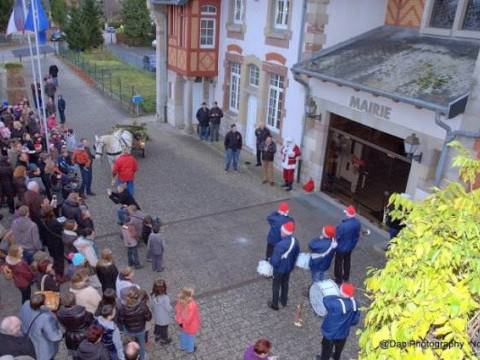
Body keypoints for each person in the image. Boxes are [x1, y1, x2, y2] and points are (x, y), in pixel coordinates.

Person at [318, 283, 360, 360]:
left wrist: (336, 295)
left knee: (326, 351)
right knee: (338, 350)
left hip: (330, 334)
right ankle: (336, 357)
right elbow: (355, 320)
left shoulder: (336, 303)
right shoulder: (355, 304)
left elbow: (326, 299)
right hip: (343, 333)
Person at [20, 293, 63, 360]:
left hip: (29, 339)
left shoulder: (25, 304)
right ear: (41, 305)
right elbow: (54, 337)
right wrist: (60, 332)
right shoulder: (45, 318)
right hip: (42, 348)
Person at [268, 221, 300, 311]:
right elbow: (296, 254)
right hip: (288, 267)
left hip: (279, 269)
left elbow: (275, 260)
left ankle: (274, 304)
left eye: (282, 231)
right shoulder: (295, 241)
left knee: (276, 285)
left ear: (284, 233)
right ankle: (284, 300)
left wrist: (271, 262)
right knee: (285, 283)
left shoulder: (280, 245)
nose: (280, 233)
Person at [117, 287, 152, 360]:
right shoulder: (143, 306)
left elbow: (120, 320)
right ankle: (142, 357)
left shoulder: (122, 307)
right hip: (140, 329)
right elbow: (149, 317)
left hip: (129, 330)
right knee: (141, 344)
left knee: (130, 345)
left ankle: (132, 355)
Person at [57, 292, 94, 358]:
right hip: (84, 335)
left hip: (70, 336)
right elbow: (91, 320)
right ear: (74, 300)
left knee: (74, 354)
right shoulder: (82, 311)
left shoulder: (59, 313)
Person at [334, 205, 361, 285]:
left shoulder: (343, 226)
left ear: (348, 214)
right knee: (347, 261)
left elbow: (337, 236)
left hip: (341, 247)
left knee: (338, 262)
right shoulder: (357, 223)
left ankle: (338, 279)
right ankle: (346, 276)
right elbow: (357, 235)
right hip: (350, 246)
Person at [175, 287, 200, 353]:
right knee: (190, 337)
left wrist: (180, 322)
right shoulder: (192, 305)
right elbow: (190, 318)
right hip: (191, 326)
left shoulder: (179, 301)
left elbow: (177, 312)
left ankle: (182, 346)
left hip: (182, 324)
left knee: (183, 335)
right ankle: (190, 349)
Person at [151, 279, 172, 344]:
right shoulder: (165, 298)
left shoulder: (152, 295)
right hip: (164, 318)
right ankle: (164, 339)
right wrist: (171, 308)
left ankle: (157, 336)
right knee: (164, 329)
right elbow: (168, 308)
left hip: (157, 316)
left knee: (157, 326)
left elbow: (152, 306)